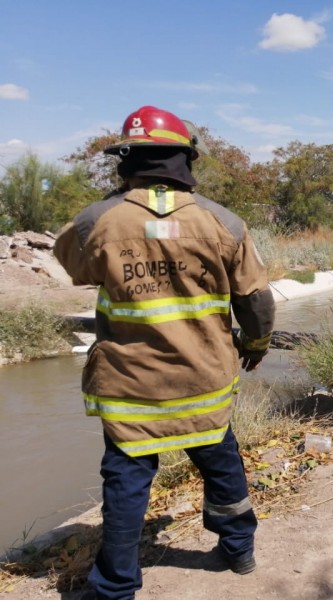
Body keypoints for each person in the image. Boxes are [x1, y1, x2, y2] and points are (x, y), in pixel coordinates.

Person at [54, 105, 275, 599]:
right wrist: (255, 344)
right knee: (222, 465)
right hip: (206, 381)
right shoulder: (224, 222)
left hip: (132, 387)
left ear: (125, 160)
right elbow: (256, 300)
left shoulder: (96, 220)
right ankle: (238, 551)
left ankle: (114, 587)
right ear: (184, 159)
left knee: (126, 483)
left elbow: (75, 267)